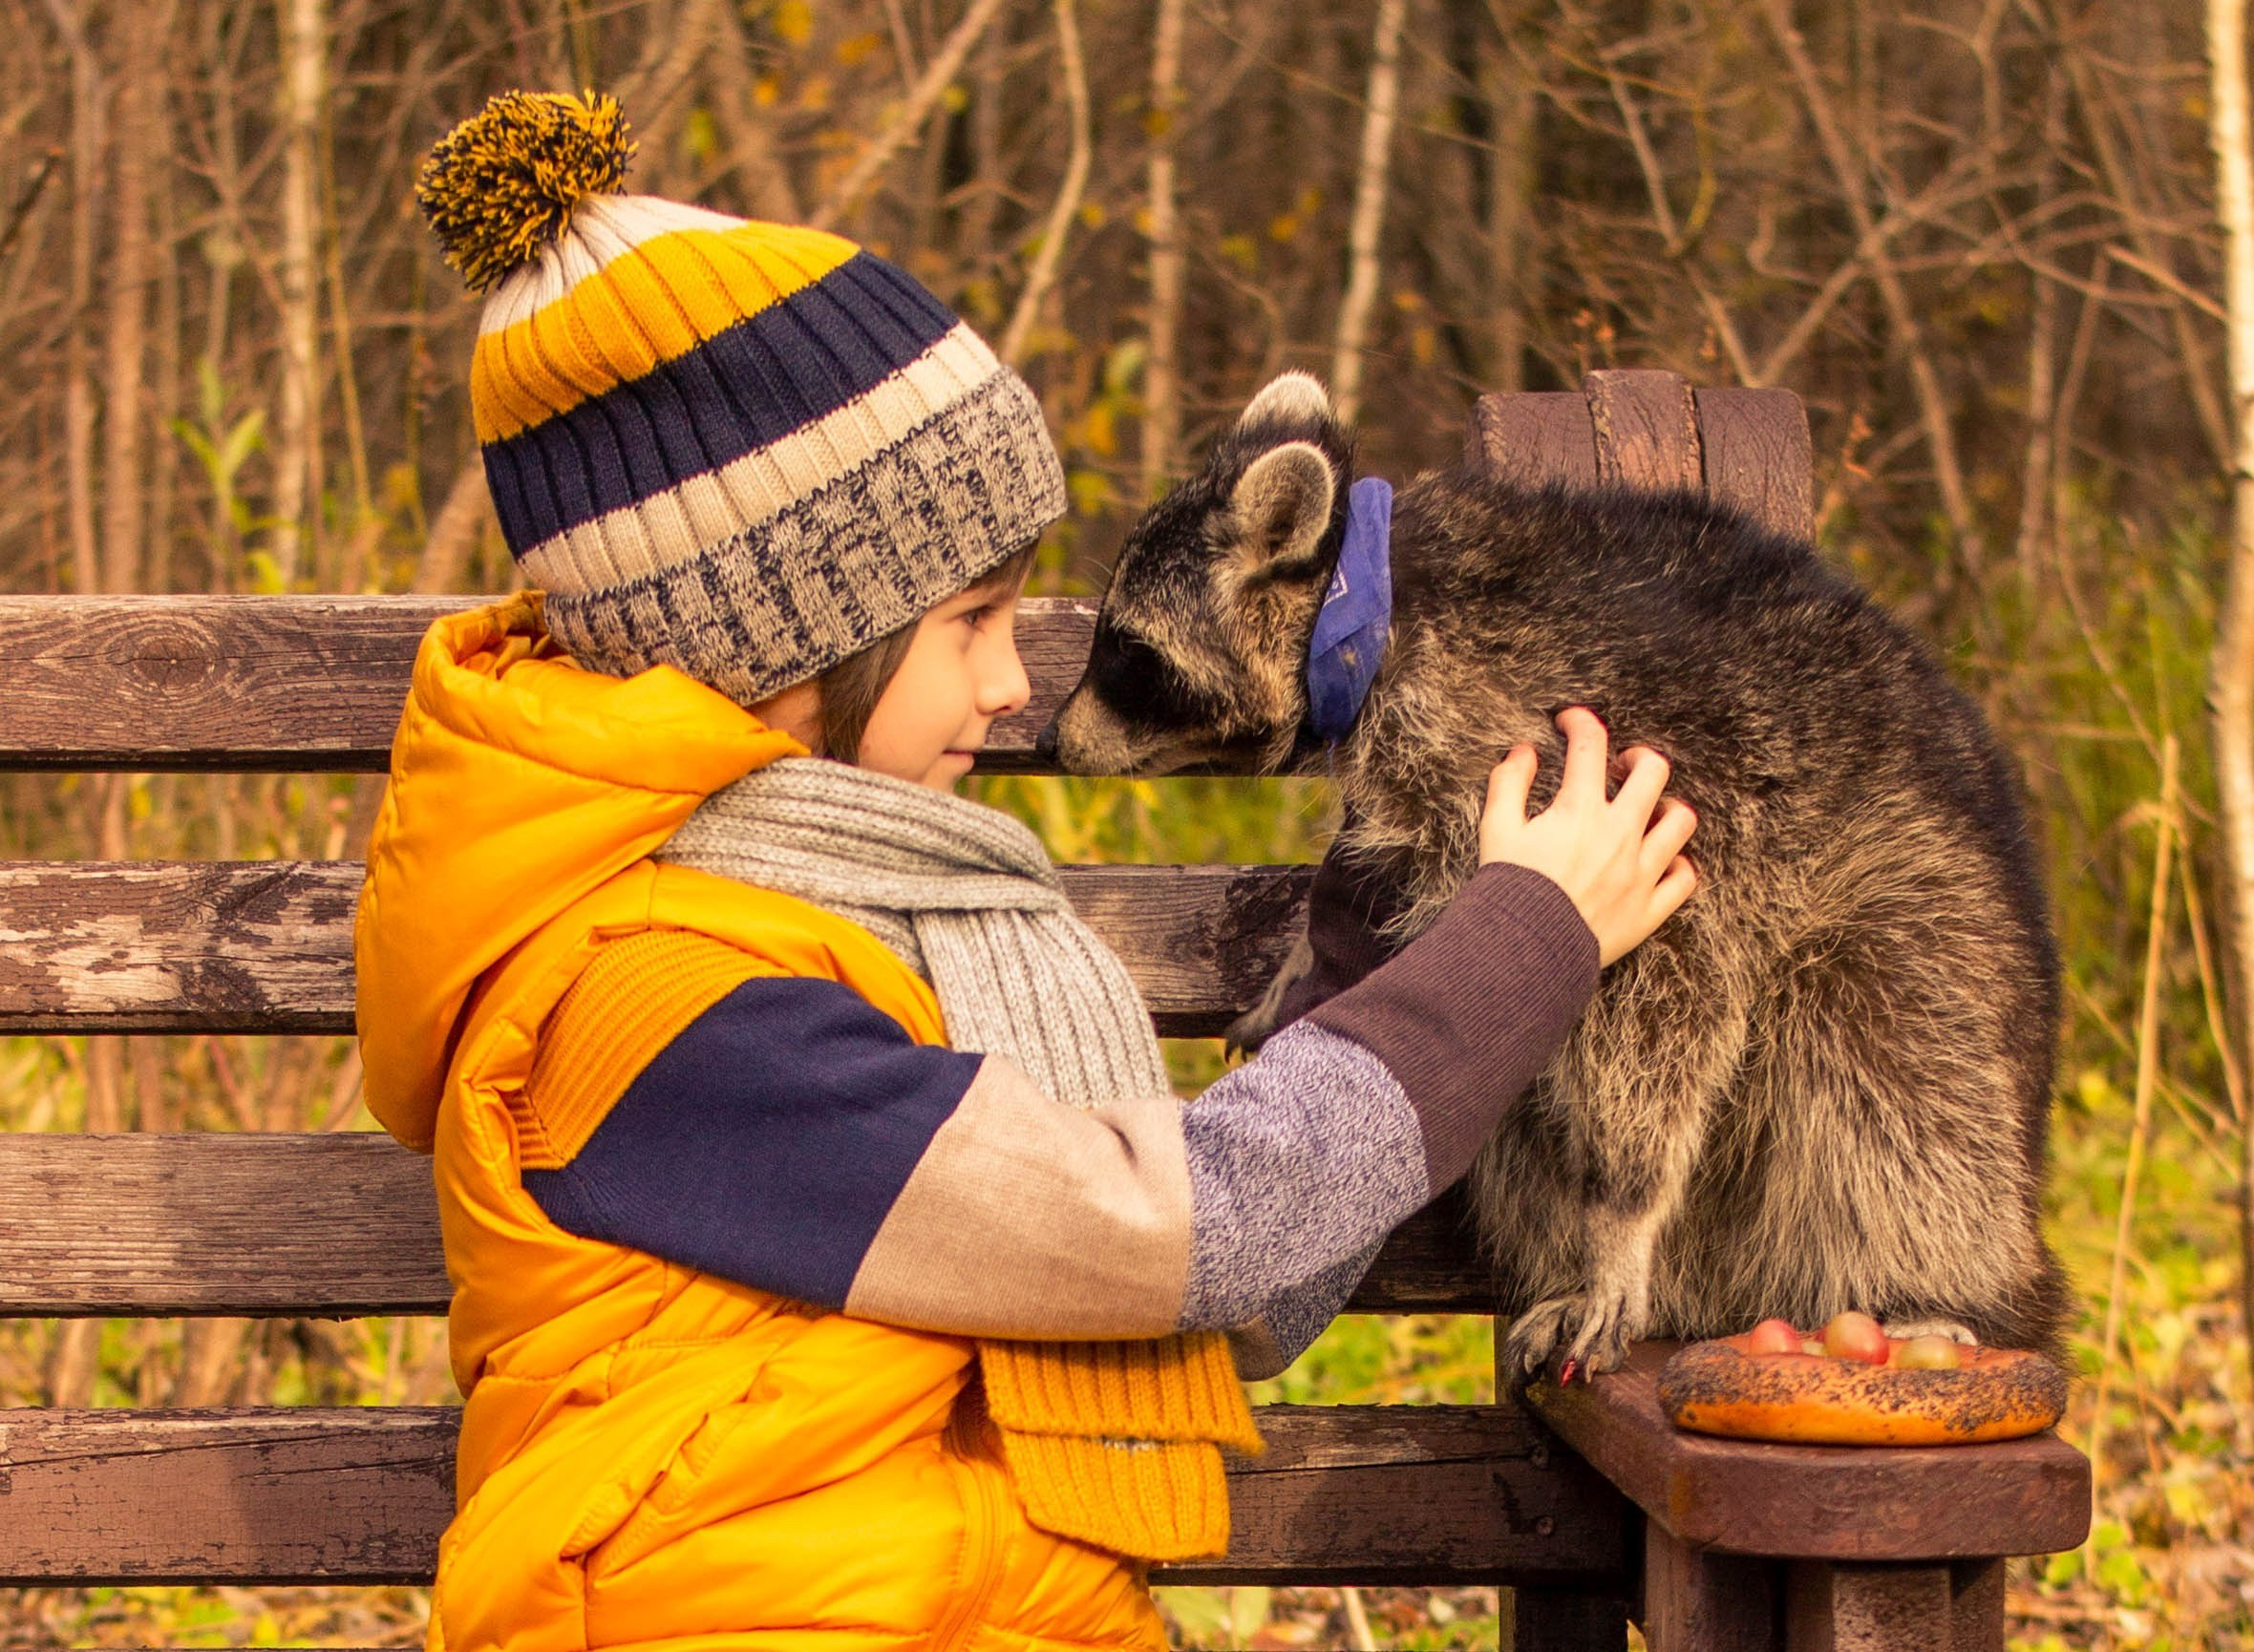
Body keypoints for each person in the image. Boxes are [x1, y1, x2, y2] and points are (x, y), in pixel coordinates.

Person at [356, 90, 1696, 1652]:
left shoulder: (814, 915)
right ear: (786, 652)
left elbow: (1233, 1297)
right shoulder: (652, 1008)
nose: (1013, 688)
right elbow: (1184, 1226)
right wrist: (1528, 940)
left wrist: (1378, 921)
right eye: (973, 621)